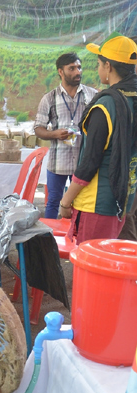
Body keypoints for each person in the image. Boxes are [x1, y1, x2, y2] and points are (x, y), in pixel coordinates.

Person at [59, 34, 137, 244]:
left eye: (99, 63)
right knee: (116, 266)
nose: (98, 68)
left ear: (108, 66)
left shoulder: (105, 107)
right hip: (125, 199)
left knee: (92, 268)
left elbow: (90, 162)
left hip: (97, 203)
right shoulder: (132, 98)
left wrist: (66, 201)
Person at [34, 53, 97, 219]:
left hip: (84, 162)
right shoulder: (49, 98)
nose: (78, 72)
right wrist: (55, 134)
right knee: (53, 201)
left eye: (79, 67)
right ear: (60, 71)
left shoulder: (92, 95)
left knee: (82, 202)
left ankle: (76, 239)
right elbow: (38, 128)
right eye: (72, 68)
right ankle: (49, 240)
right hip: (58, 162)